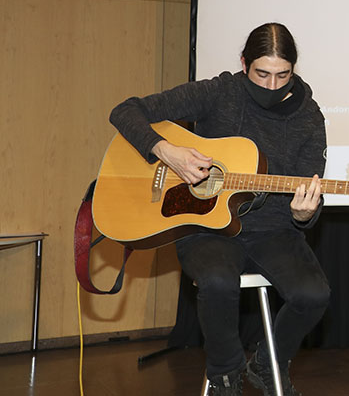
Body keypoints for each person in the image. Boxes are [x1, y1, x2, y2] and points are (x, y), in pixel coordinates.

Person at [110, 22, 329, 396]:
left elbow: (308, 198)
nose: (272, 86)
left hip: (273, 229)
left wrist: (304, 214)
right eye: (262, 74)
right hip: (204, 226)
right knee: (216, 281)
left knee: (314, 295)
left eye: (283, 76)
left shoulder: (309, 117)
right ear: (244, 63)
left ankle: (268, 363)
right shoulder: (219, 93)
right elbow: (126, 111)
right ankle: (225, 377)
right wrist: (167, 151)